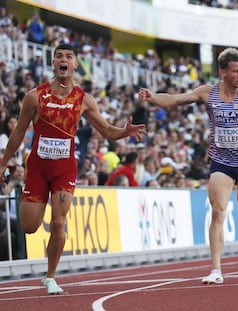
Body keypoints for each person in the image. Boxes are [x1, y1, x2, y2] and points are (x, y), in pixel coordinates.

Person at [0, 43, 146, 294]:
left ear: (76, 64)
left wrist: (124, 132)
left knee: (58, 224)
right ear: (54, 63)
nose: (63, 60)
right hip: (37, 168)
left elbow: (106, 130)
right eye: (59, 57)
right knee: (29, 226)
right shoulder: (35, 96)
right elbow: (18, 132)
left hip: (64, 170)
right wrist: (3, 162)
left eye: (68, 56)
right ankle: (41, 203)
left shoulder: (84, 99)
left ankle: (50, 276)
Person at [139, 47, 238, 284]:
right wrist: (153, 97)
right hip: (221, 162)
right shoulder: (208, 93)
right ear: (222, 72)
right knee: (218, 212)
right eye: (236, 71)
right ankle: (216, 269)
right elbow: (175, 100)